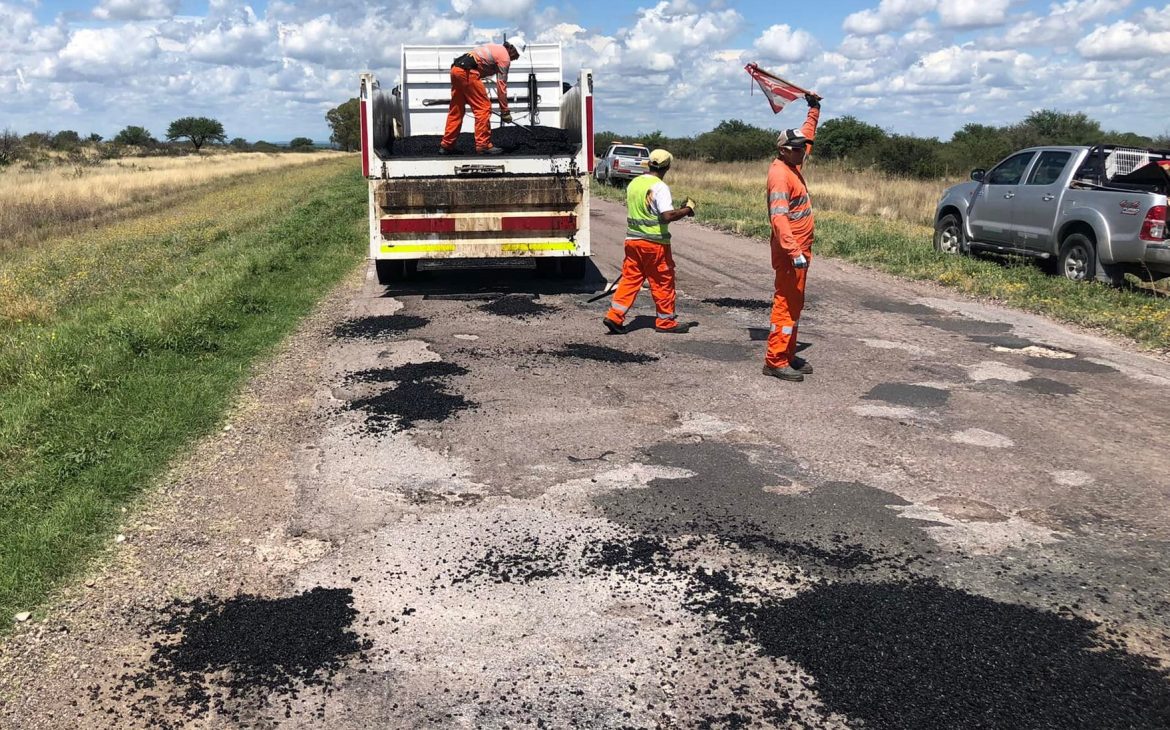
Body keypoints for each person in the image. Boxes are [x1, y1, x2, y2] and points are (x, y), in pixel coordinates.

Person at [603, 149, 696, 335]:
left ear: (648, 163)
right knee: (663, 282)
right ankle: (666, 322)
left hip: (632, 241)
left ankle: (614, 316)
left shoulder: (634, 183)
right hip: (654, 244)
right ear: (667, 166)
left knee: (630, 280)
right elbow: (667, 216)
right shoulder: (660, 187)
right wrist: (687, 209)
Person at [763, 93, 821, 382]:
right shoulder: (780, 176)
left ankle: (787, 353)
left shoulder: (792, 165)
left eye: (802, 148)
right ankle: (775, 359)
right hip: (791, 252)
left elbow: (807, 136)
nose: (803, 152)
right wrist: (793, 250)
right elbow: (779, 217)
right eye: (797, 149)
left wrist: (814, 110)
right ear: (784, 151)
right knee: (786, 302)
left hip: (799, 250)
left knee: (795, 302)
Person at [440, 41, 521, 156]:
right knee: (483, 108)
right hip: (467, 71)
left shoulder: (495, 48)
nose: (516, 59)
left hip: (456, 70)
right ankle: (483, 145)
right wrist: (505, 111)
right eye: (517, 55)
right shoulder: (505, 58)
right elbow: (501, 86)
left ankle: (446, 145)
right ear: (512, 49)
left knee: (456, 110)